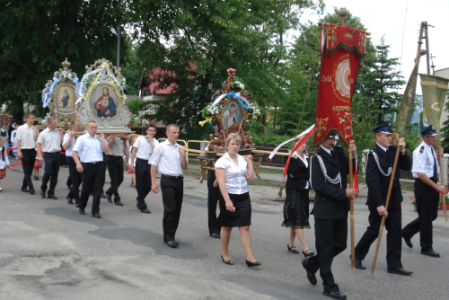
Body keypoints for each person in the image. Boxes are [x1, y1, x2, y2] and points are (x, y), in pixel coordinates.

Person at [302, 130, 357, 300]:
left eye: (333, 137)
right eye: (328, 138)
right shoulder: (316, 158)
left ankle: (312, 263)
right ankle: (329, 285)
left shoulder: (339, 152)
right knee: (326, 248)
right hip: (325, 208)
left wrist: (353, 156)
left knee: (340, 244)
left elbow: (351, 171)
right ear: (321, 139)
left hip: (340, 208)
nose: (332, 141)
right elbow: (318, 186)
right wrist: (343, 193)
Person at [354, 123, 412, 276]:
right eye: (386, 135)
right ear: (377, 137)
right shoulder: (373, 155)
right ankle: (356, 256)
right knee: (374, 230)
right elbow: (372, 182)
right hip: (379, 201)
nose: (389, 138)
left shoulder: (394, 151)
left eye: (390, 135)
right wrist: (380, 204)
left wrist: (403, 150)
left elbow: (407, 166)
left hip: (394, 199)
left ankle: (394, 264)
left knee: (395, 231)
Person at [215, 133, 261, 267]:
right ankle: (225, 253)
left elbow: (250, 177)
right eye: (233, 144)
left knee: (245, 226)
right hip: (229, 196)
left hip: (243, 196)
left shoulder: (242, 159)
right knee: (227, 226)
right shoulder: (222, 161)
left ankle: (250, 257)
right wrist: (227, 201)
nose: (235, 147)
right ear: (227, 145)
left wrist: (250, 163)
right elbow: (221, 183)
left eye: (237, 144)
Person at [402, 125, 445, 258]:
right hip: (424, 185)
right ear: (425, 137)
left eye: (434, 136)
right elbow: (421, 174)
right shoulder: (420, 150)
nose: (434, 139)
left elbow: (432, 168)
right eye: (432, 136)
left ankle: (407, 231)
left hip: (431, 183)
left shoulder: (431, 149)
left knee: (432, 215)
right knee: (426, 217)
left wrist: (439, 158)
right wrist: (437, 187)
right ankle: (426, 246)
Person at [150, 124, 187, 248]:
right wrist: (153, 182)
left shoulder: (180, 148)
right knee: (170, 208)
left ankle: (171, 234)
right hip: (167, 180)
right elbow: (153, 165)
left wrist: (183, 155)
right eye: (174, 132)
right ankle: (169, 236)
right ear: (167, 133)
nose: (176, 135)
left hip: (178, 180)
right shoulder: (160, 147)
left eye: (177, 132)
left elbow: (184, 167)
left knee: (177, 209)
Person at [282, 138, 314, 257]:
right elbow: (293, 173)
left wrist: (302, 175)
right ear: (295, 144)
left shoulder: (308, 159)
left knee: (297, 217)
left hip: (304, 190)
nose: (302, 145)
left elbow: (311, 173)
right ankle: (305, 247)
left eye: (304, 142)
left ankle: (290, 243)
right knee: (297, 216)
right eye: (299, 143)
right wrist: (302, 174)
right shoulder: (291, 157)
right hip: (293, 189)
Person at [72, 121, 109, 218]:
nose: (94, 130)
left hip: (99, 165)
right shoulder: (82, 139)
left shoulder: (99, 139)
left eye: (96, 128)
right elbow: (74, 152)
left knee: (97, 188)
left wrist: (102, 140)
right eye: (92, 128)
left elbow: (106, 151)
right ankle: (82, 206)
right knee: (86, 188)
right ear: (87, 128)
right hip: (87, 165)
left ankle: (95, 211)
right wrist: (78, 163)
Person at [129, 125, 159, 214]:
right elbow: (134, 150)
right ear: (146, 131)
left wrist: (150, 142)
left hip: (150, 163)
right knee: (140, 183)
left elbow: (156, 151)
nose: (152, 132)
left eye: (153, 131)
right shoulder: (140, 139)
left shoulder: (156, 142)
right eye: (150, 130)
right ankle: (142, 205)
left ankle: (140, 198)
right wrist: (131, 163)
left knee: (149, 184)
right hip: (140, 161)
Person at [36, 117, 64, 199]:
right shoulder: (44, 133)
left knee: (55, 175)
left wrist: (61, 133)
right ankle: (43, 188)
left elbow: (61, 142)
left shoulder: (57, 132)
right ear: (49, 124)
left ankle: (51, 192)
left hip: (57, 154)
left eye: (56, 122)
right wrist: (40, 156)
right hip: (48, 154)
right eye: (54, 122)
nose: (56, 124)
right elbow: (38, 144)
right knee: (48, 173)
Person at [16, 113, 39, 195]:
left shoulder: (34, 128)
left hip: (32, 150)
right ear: (27, 118)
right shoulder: (21, 128)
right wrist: (19, 151)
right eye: (32, 118)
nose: (33, 120)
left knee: (29, 170)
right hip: (24, 150)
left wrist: (35, 129)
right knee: (26, 170)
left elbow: (36, 139)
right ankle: (31, 187)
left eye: (34, 118)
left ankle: (24, 186)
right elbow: (18, 141)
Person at [105, 134, 130, 206]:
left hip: (120, 158)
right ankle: (117, 198)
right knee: (114, 179)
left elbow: (126, 149)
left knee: (120, 179)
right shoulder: (110, 136)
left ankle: (109, 191)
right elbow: (108, 146)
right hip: (111, 157)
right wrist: (114, 137)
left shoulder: (124, 137)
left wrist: (128, 162)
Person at [63, 121, 82, 206]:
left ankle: (70, 195)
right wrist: (71, 137)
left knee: (80, 179)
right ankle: (77, 200)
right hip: (71, 158)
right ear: (73, 127)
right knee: (75, 180)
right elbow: (65, 147)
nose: (80, 128)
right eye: (78, 126)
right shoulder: (67, 135)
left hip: (80, 159)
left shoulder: (82, 136)